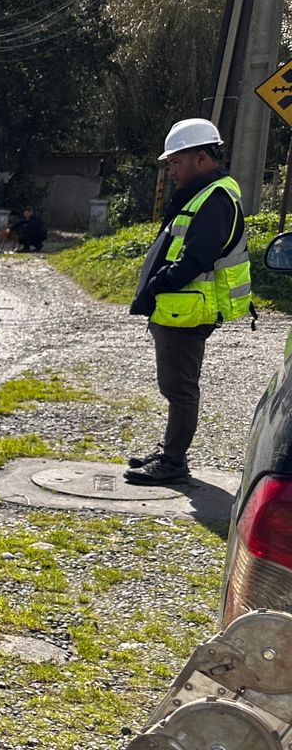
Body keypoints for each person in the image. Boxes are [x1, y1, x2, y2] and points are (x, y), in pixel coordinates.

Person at [124, 118, 254, 486]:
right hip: (179, 308)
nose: (173, 171)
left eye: (177, 162)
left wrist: (156, 286)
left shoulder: (215, 199)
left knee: (180, 389)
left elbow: (195, 260)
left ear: (202, 158)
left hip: (187, 310)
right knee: (175, 386)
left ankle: (173, 463)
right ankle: (170, 451)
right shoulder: (204, 193)